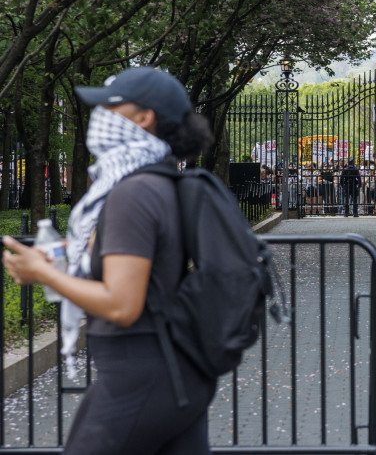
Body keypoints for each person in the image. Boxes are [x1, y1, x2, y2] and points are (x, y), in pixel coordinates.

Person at [2, 67, 216, 454]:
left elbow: (121, 304)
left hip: (144, 376)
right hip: (178, 371)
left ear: (143, 117)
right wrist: (68, 255)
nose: (98, 115)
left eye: (109, 105)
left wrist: (43, 272)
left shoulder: (133, 192)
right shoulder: (162, 179)